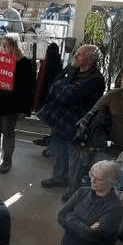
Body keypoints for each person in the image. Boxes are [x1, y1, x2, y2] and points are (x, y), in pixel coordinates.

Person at [39, 45, 107, 191]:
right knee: (58, 152)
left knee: (74, 159)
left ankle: (72, 188)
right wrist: (62, 89)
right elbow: (53, 85)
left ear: (90, 61)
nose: (76, 56)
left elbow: (71, 97)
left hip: (76, 125)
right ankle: (58, 177)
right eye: (77, 53)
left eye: (80, 54)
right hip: (60, 121)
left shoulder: (96, 80)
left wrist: (61, 89)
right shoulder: (71, 71)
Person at [58, 160, 123, 245]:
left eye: (97, 178)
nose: (92, 180)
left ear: (110, 182)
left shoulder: (114, 207)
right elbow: (61, 215)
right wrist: (86, 227)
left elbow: (94, 235)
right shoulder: (82, 192)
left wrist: (72, 219)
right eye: (91, 175)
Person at [0, 33, 36, 173]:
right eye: (2, 44)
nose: (3, 48)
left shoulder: (24, 63)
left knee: (8, 132)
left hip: (11, 103)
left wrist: (24, 108)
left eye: (7, 45)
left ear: (15, 46)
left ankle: (7, 160)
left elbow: (27, 87)